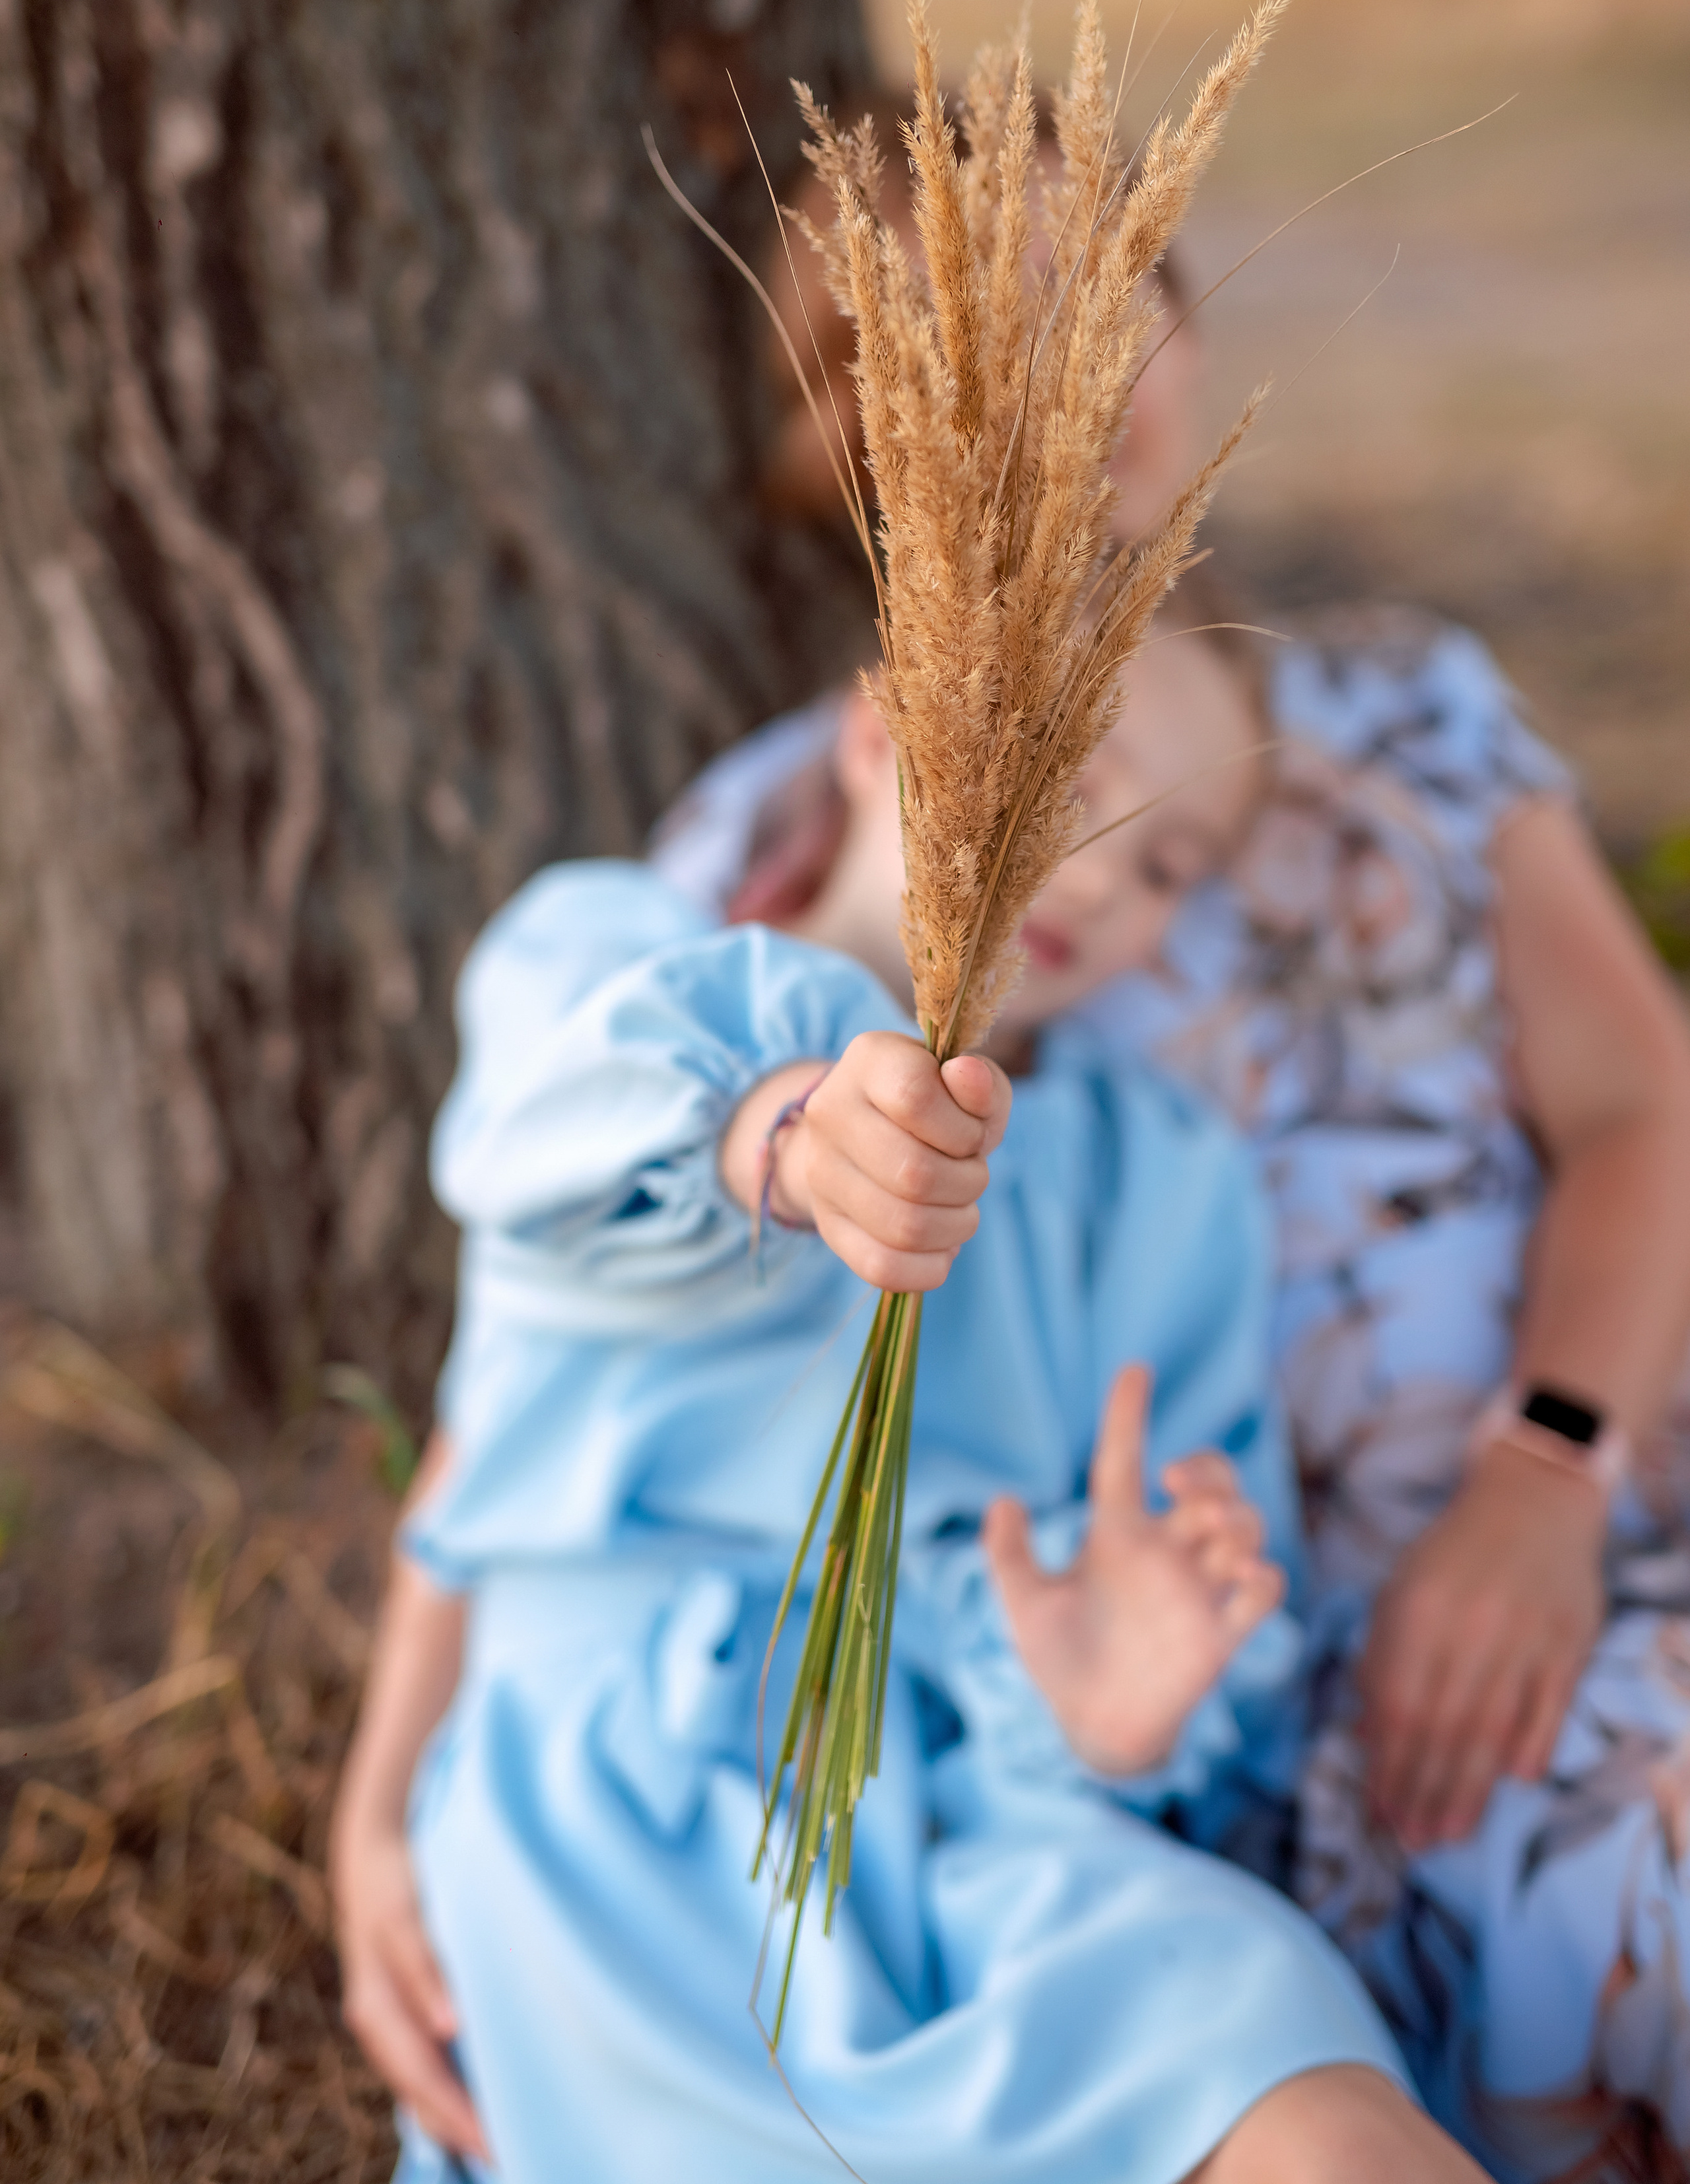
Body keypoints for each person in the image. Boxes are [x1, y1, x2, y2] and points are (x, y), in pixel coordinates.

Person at [651, 176, 1690, 2172]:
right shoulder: (845, 811)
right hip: (1185, 1709)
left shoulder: (1396, 703)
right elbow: (598, 1256)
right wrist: (386, 1782)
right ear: (881, 430)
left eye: (1114, 297)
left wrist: (1547, 1466)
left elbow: (1643, 1107)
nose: (1085, 371)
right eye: (989, 346)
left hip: (1552, 1532)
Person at [329, 664, 1485, 2184]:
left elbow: (1201, 1575)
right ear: (887, 729)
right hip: (637, 1824)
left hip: (993, 1819)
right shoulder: (617, 962)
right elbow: (552, 1153)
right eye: (1083, 782)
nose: (1110, 873)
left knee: (1295, 2087)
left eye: (1167, 864)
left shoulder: (1151, 1183)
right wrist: (788, 1137)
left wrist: (1103, 1703)